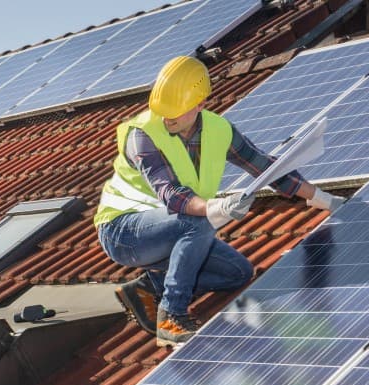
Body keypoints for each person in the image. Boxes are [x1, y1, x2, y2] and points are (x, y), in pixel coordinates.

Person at [96, 55, 345, 347]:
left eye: (175, 112)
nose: (167, 119)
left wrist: (321, 198)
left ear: (200, 104)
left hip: (172, 228)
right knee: (198, 222)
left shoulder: (219, 130)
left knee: (238, 273)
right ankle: (170, 316)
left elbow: (266, 168)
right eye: (162, 111)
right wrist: (214, 207)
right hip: (123, 231)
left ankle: (149, 287)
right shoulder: (142, 135)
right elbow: (170, 194)